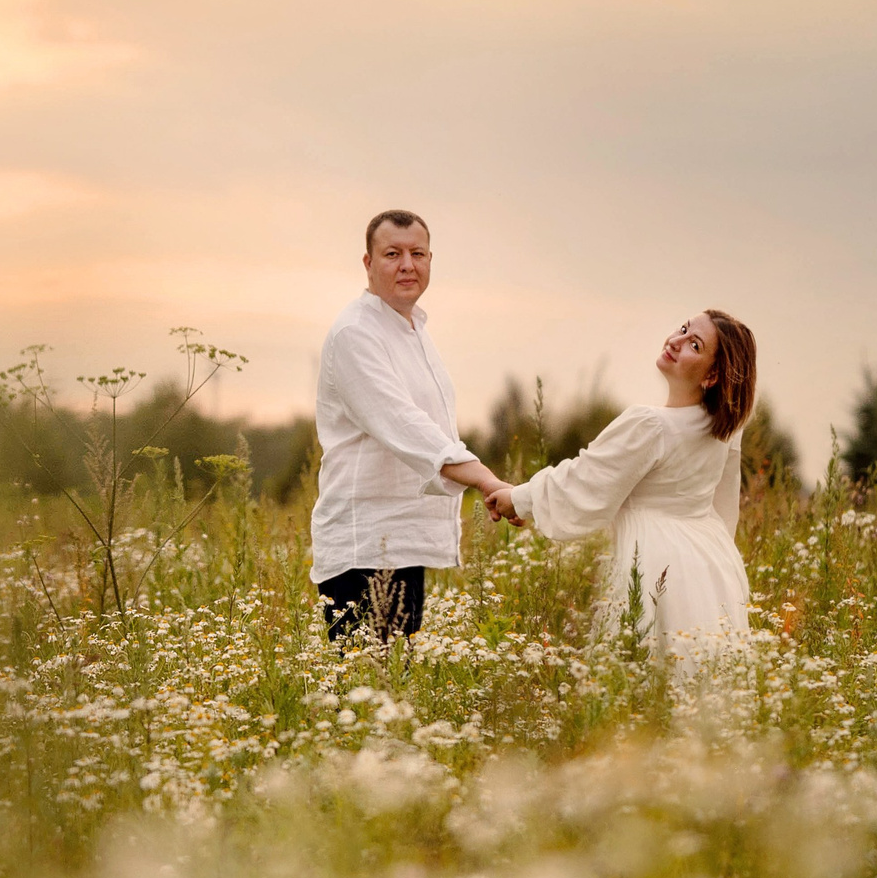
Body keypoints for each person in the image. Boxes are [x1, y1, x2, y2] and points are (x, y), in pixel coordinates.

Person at [487, 310, 757, 658]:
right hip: (710, 563)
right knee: (695, 677)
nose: (675, 340)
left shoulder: (650, 424)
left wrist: (519, 498)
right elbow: (724, 509)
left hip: (657, 562)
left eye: (694, 344)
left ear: (713, 374)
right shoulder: (724, 429)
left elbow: (586, 480)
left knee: (645, 672)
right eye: (684, 328)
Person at [310, 210, 508, 642]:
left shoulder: (414, 328)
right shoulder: (355, 334)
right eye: (392, 253)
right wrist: (487, 480)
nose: (407, 265)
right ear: (368, 263)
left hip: (402, 540)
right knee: (363, 697)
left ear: (430, 260)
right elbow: (406, 426)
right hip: (362, 546)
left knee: (397, 692)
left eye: (417, 253)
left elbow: (433, 424)